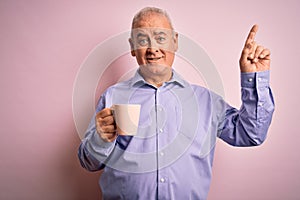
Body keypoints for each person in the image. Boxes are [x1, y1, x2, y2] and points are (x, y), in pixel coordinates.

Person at [78, 7, 274, 200]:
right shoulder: (112, 96)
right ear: (132, 47)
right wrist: (101, 139)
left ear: (175, 41)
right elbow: (89, 162)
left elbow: (251, 134)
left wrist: (253, 76)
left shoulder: (206, 101)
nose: (152, 48)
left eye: (160, 38)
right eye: (142, 40)